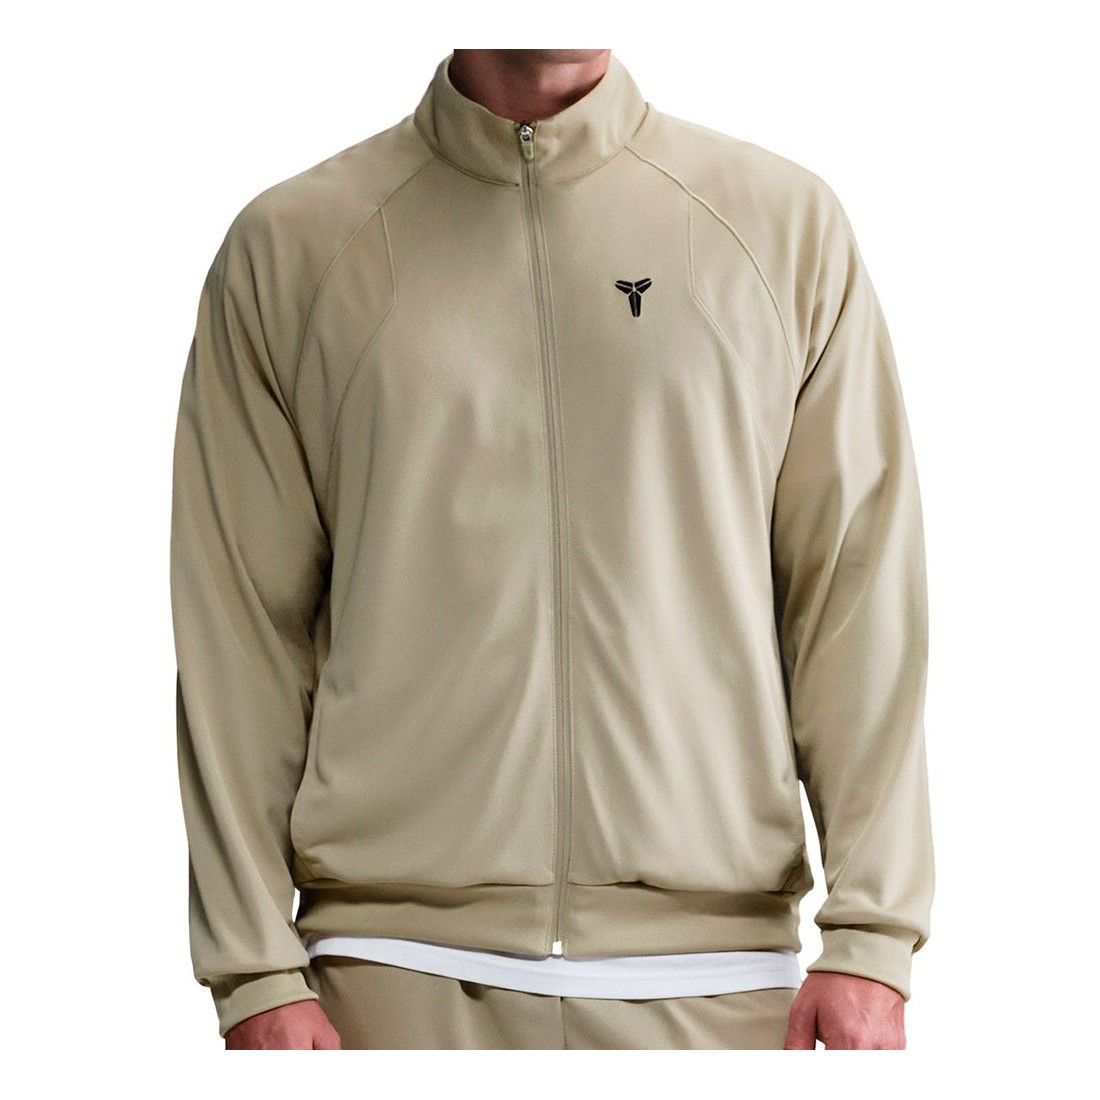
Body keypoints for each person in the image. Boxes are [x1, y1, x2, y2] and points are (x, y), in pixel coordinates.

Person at [169, 48, 933, 1050]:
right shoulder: (295, 247)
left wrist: (871, 935)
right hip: (386, 986)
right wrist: (255, 969)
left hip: (720, 990)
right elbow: (238, 633)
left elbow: (853, 594)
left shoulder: (780, 227)